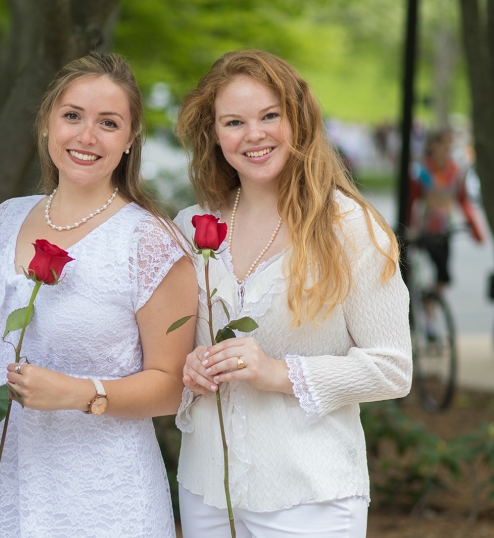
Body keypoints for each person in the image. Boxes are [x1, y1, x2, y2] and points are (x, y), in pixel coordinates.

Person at [173, 49, 412, 537]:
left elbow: (393, 368)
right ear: (214, 134)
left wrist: (278, 372)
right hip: (205, 492)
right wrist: (190, 367)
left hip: (310, 496)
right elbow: (170, 353)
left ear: (298, 121)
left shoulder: (351, 228)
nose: (254, 134)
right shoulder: (192, 227)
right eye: (234, 121)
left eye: (270, 116)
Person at [0, 52, 197, 537]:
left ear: (131, 138)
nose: (86, 136)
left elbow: (173, 384)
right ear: (48, 121)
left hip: (102, 495)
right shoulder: (5, 218)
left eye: (108, 123)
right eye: (72, 116)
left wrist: (80, 393)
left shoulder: (149, 241)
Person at [411, 129, 484, 294]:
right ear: (432, 146)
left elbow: (462, 200)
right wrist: (410, 226)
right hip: (426, 228)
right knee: (439, 270)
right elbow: (412, 200)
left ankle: (431, 304)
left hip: (445, 227)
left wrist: (473, 227)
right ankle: (425, 304)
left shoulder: (454, 172)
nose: (446, 149)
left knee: (443, 277)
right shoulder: (422, 171)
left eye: (449, 145)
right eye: (442, 144)